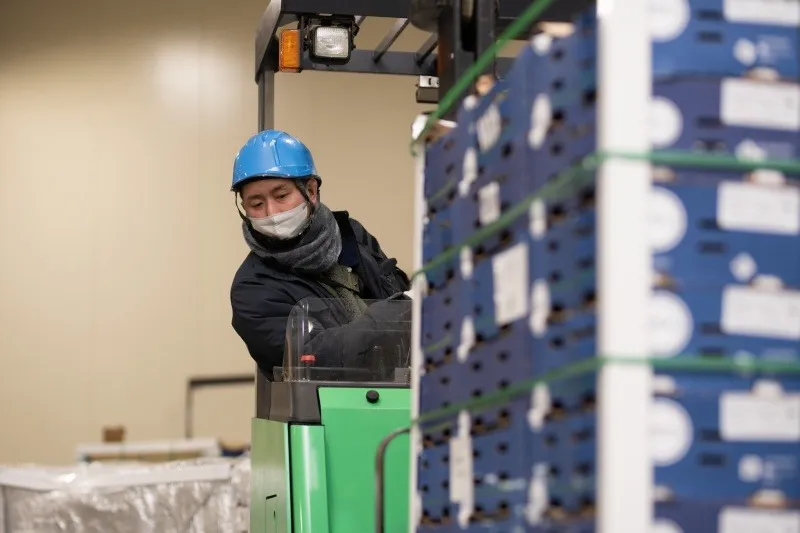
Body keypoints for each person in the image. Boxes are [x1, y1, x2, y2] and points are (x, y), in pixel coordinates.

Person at [229, 130, 411, 380]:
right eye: (256, 204)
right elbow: (310, 358)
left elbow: (393, 291)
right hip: (325, 403)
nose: (272, 212)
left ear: (311, 190)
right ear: (244, 209)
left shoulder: (351, 236)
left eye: (281, 196)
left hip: (401, 393)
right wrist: (395, 314)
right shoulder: (253, 288)